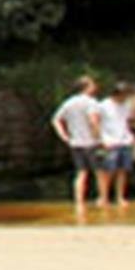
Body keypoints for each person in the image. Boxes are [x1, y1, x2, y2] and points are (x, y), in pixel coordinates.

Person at [51, 75, 104, 213]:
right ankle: (102, 199)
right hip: (91, 142)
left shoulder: (68, 103)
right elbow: (93, 121)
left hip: (76, 143)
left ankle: (79, 203)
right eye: (92, 84)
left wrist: (64, 136)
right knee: (99, 172)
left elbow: (56, 119)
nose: (95, 86)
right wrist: (100, 138)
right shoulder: (91, 102)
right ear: (86, 87)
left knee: (81, 173)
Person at [98, 82, 135, 209]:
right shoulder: (103, 105)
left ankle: (120, 197)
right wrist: (101, 139)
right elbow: (96, 122)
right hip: (110, 141)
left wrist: (130, 134)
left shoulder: (126, 105)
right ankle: (104, 197)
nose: (125, 97)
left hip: (125, 140)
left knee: (123, 171)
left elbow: (127, 121)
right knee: (108, 171)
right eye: (123, 94)